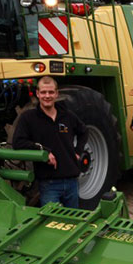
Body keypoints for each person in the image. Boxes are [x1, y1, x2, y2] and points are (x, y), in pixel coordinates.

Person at [12, 76, 86, 208]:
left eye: (51, 92)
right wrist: (43, 152)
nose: (47, 96)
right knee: (52, 223)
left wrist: (77, 152)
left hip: (71, 181)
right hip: (49, 184)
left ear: (56, 93)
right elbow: (18, 142)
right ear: (37, 93)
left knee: (74, 222)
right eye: (44, 92)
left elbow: (84, 132)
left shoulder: (67, 116)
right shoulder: (29, 118)